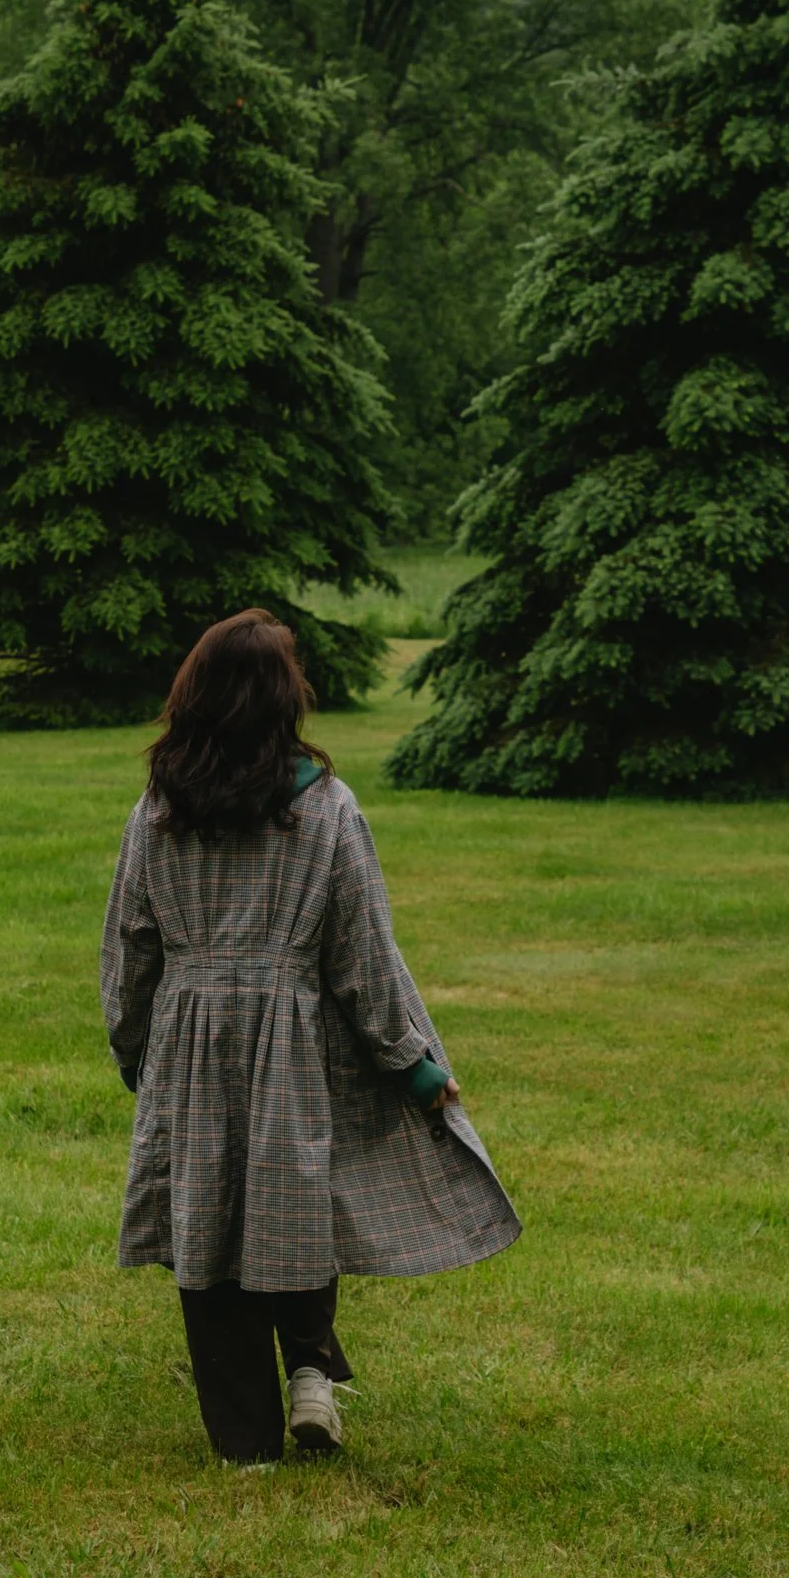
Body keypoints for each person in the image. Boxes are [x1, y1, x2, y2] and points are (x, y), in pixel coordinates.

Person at [101, 609, 520, 1464]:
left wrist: (134, 1040)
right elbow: (363, 956)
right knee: (294, 1206)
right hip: (291, 1045)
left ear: (196, 696)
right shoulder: (326, 808)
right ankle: (312, 1371)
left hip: (187, 1037)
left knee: (207, 1225)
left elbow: (129, 941)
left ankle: (247, 1443)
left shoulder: (156, 810)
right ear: (286, 701)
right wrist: (411, 1063)